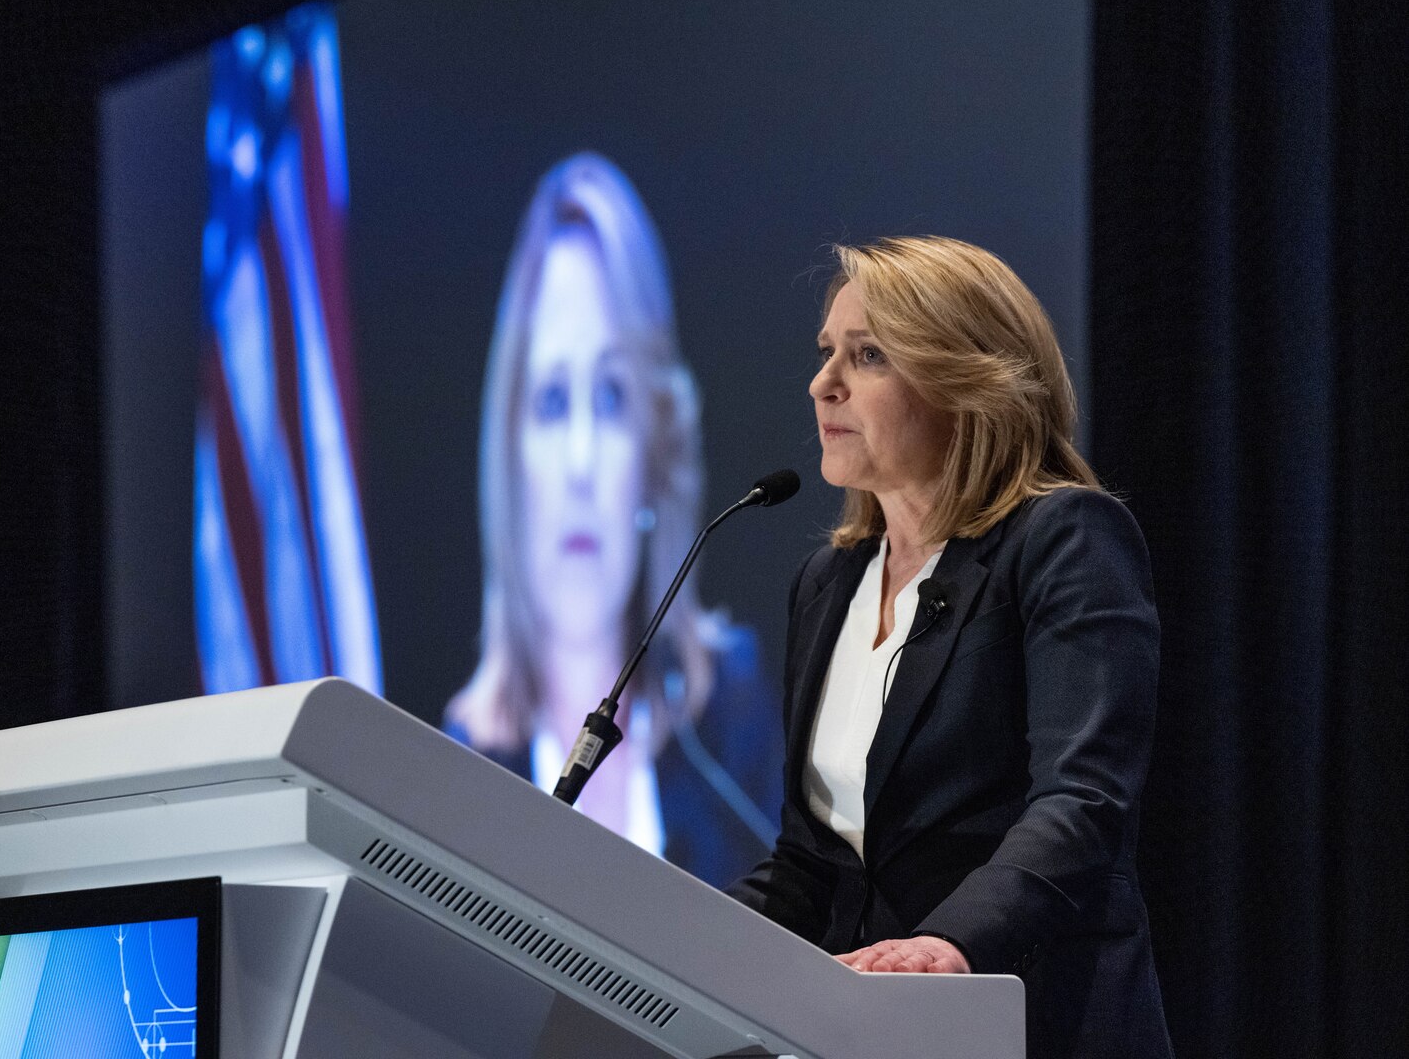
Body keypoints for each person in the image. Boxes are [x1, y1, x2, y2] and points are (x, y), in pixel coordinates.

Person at [726, 236, 1172, 1058]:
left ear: (967, 383)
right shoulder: (828, 584)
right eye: (828, 353)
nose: (823, 384)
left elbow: (1082, 803)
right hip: (866, 1028)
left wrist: (952, 943)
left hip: (1036, 1018)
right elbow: (810, 862)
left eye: (868, 357)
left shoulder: (1065, 541)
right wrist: (677, 940)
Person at [444, 153, 782, 889]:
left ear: (655, 453)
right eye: (553, 403)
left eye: (612, 400)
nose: (580, 462)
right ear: (510, 458)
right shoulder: (456, 771)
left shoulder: (736, 722)